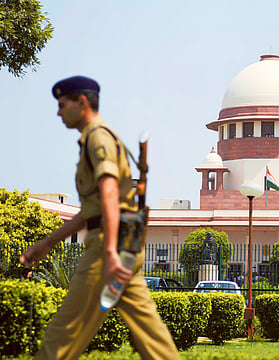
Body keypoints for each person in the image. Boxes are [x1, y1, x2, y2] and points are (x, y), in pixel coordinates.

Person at [20, 76, 180, 360]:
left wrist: (109, 254)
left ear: (81, 103)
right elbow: (91, 210)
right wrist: (47, 243)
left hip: (107, 249)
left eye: (62, 105)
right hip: (122, 247)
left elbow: (107, 192)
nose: (58, 112)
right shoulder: (101, 137)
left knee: (63, 334)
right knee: (153, 339)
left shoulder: (97, 137)